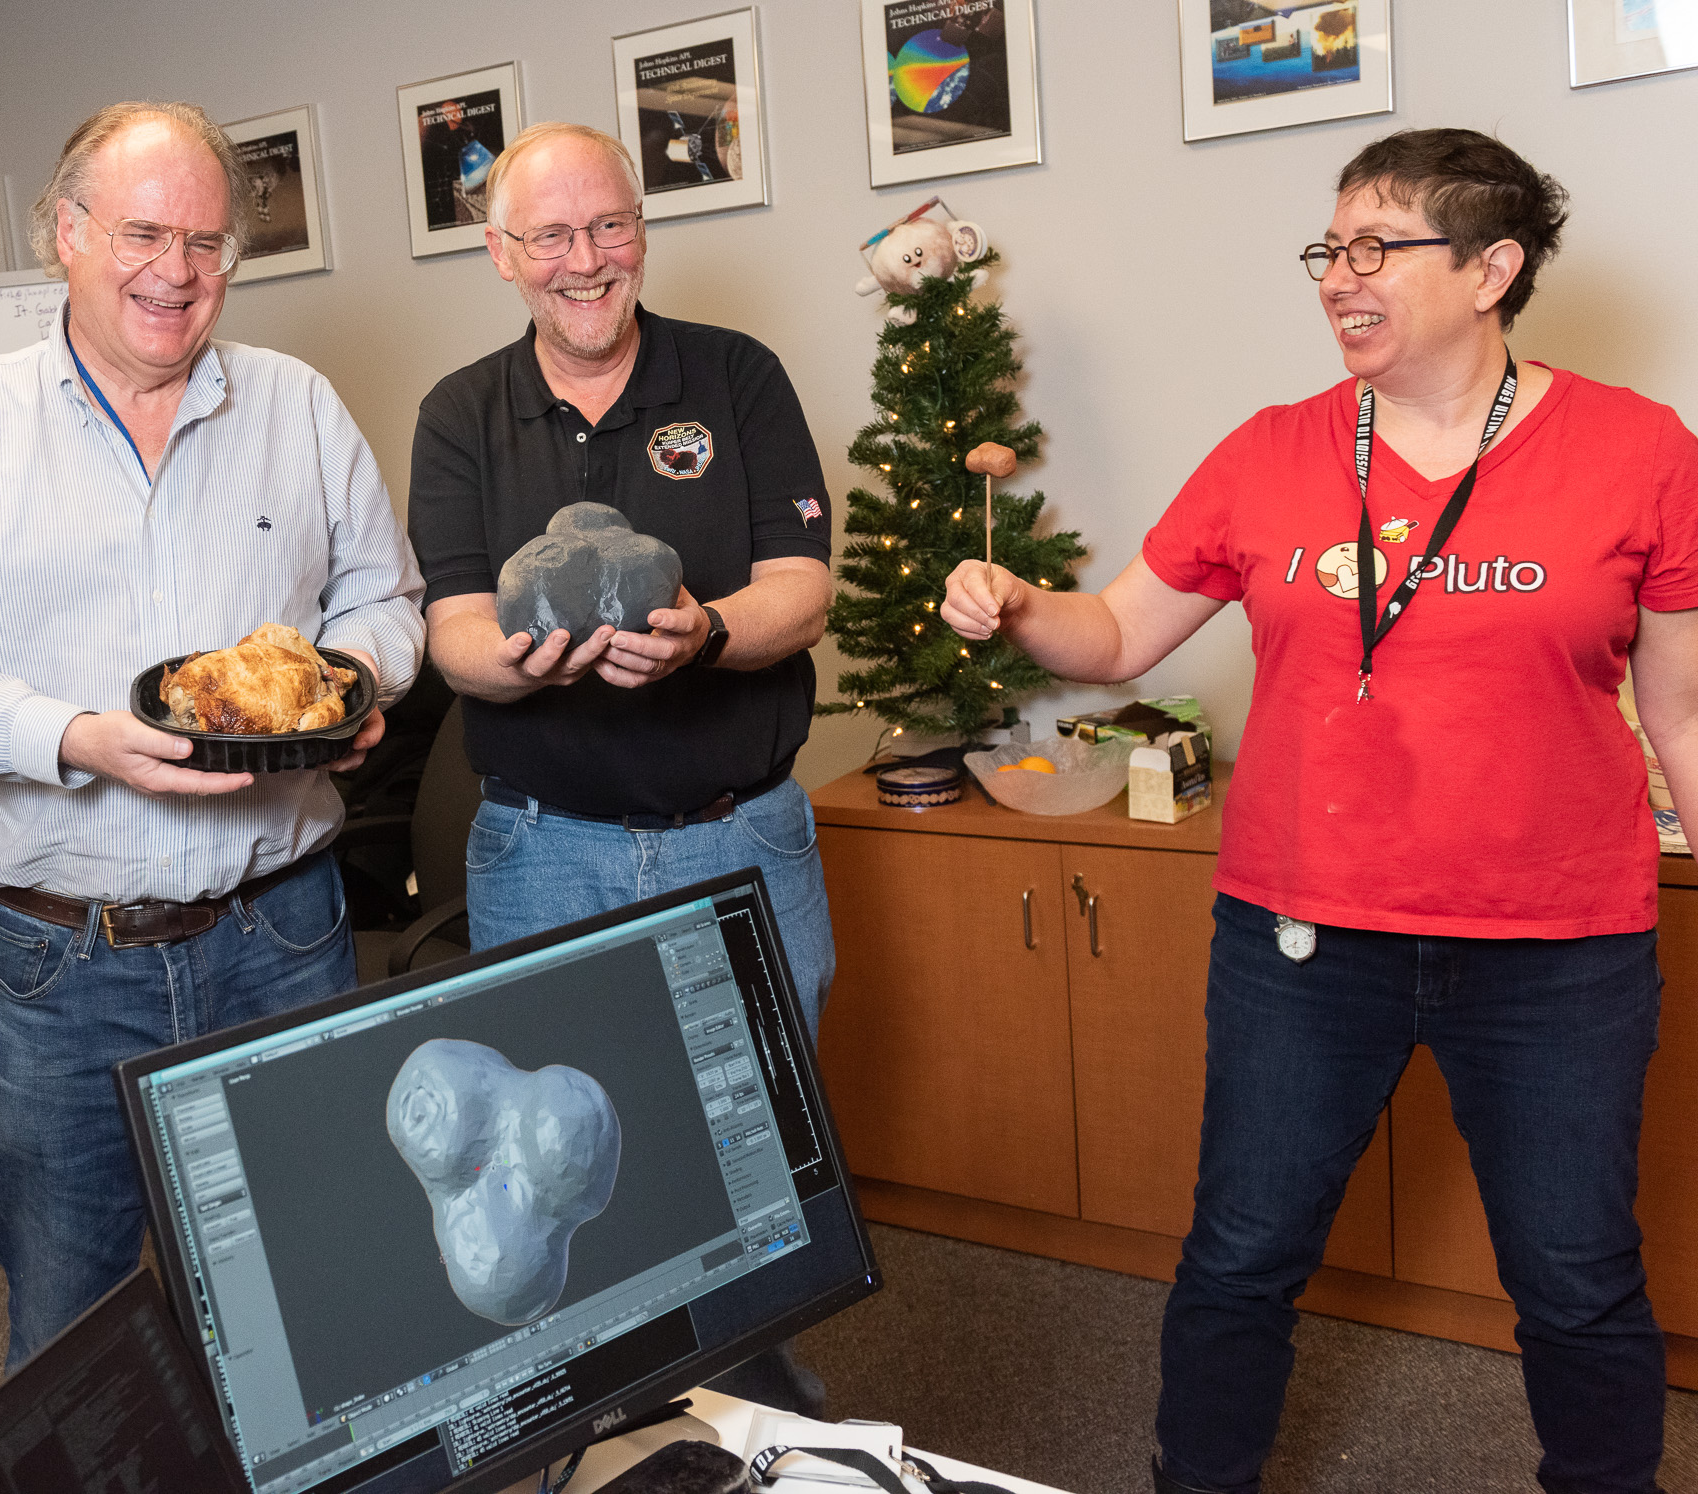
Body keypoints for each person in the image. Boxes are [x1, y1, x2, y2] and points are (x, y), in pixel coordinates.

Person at [945, 128, 1696, 1494]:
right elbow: (1114, 633)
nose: (1337, 277)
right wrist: (1016, 604)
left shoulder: (1640, 449)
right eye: (1328, 248)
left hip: (1556, 948)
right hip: (1300, 940)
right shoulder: (1270, 451)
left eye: (1375, 248)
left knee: (1576, 1275)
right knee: (1241, 1255)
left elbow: (1685, 716)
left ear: (1492, 270)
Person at [0, 100, 425, 1368]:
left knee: (324, 1303)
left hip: (282, 936)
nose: (176, 271)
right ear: (65, 232)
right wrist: (72, 737)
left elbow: (384, 599)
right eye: (142, 233)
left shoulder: (298, 407)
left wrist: (352, 682)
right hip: (60, 970)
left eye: (206, 242)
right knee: (75, 1341)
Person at [406, 120, 835, 1415]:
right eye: (550, 235)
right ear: (501, 252)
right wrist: (524, 664)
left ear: (641, 232)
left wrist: (710, 633)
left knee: (760, 1142)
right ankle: (600, 1413)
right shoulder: (460, 414)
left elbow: (803, 588)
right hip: (545, 852)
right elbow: (451, 627)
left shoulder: (737, 376)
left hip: (737, 834)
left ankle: (756, 1396)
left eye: (608, 227)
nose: (584, 260)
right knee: (551, 1155)